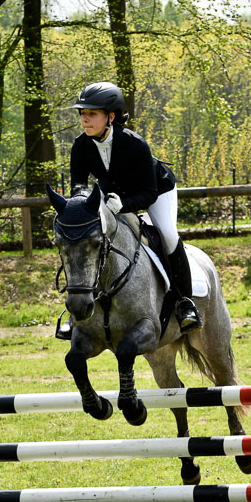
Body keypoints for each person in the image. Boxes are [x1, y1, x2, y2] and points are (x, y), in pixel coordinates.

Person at [58, 80, 202, 337]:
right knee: (86, 238)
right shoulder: (81, 146)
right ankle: (75, 313)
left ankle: (185, 303)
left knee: (167, 235)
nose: (84, 119)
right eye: (82, 114)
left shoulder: (135, 144)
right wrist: (80, 211)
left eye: (92, 114)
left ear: (110, 117)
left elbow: (148, 194)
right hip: (112, 192)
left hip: (156, 190)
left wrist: (124, 205)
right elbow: (78, 189)